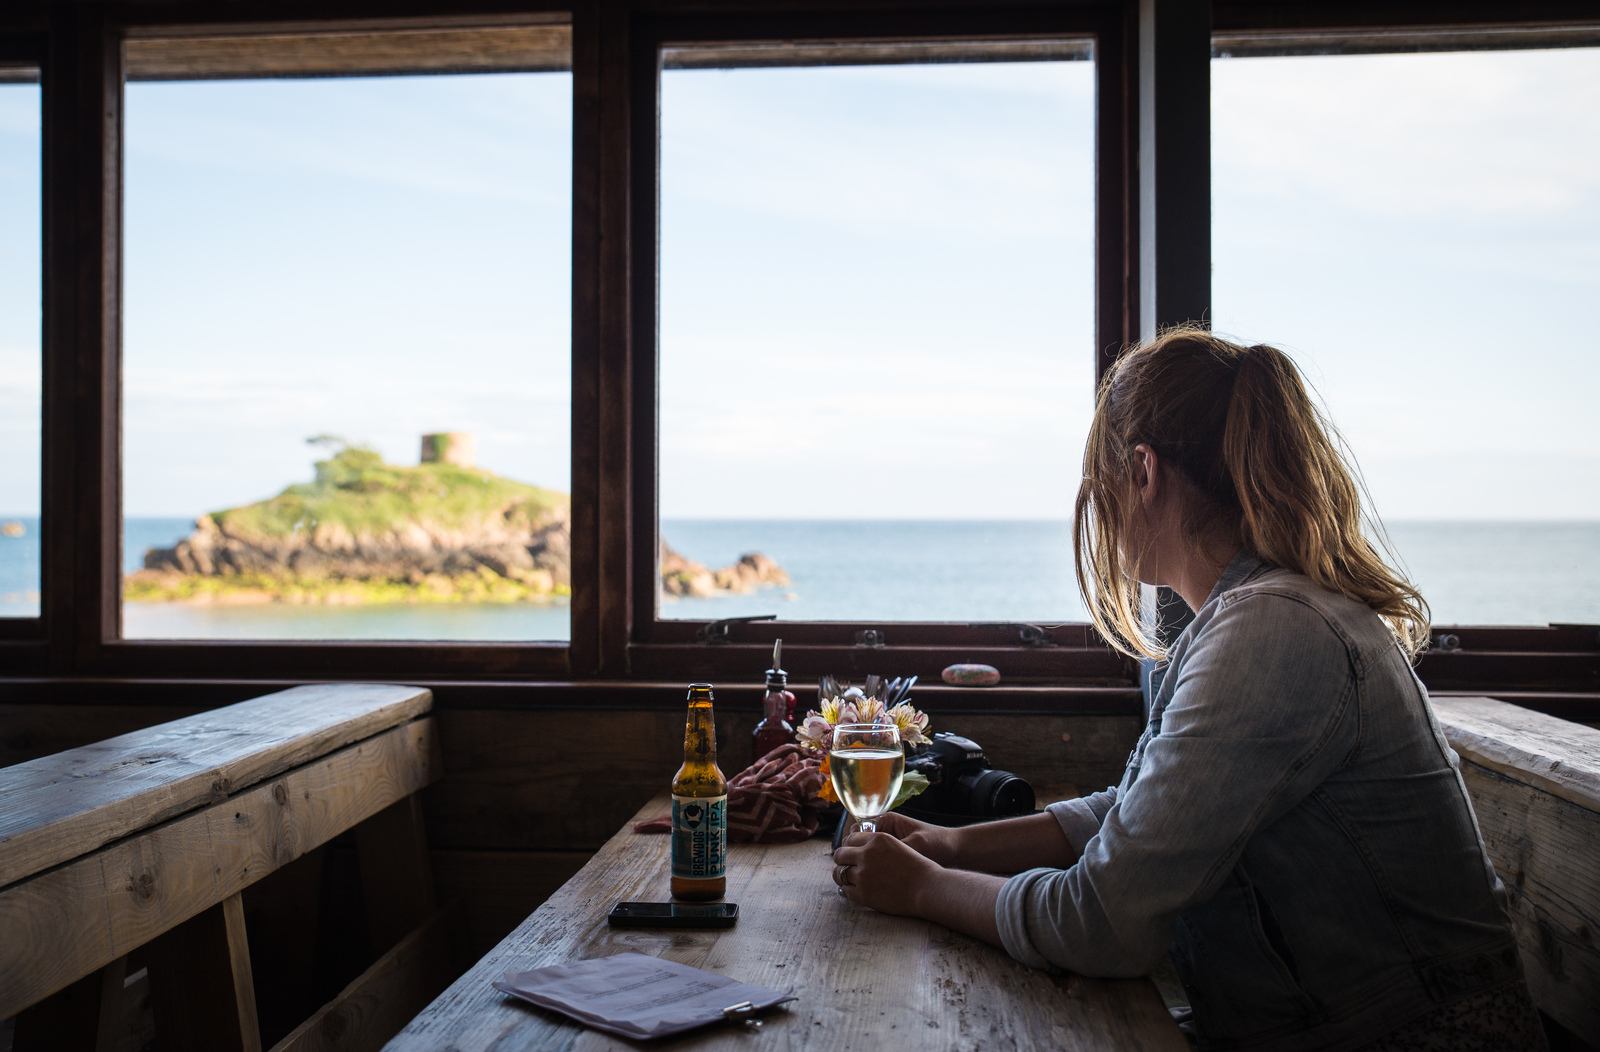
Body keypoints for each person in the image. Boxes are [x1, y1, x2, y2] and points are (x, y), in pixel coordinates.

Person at [831, 328, 1544, 1050]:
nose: (1099, 514)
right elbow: (1137, 809)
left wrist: (920, 887)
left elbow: (1101, 925)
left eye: (1100, 487)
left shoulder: (1274, 631)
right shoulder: (1257, 615)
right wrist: (952, 846)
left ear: (1143, 471)